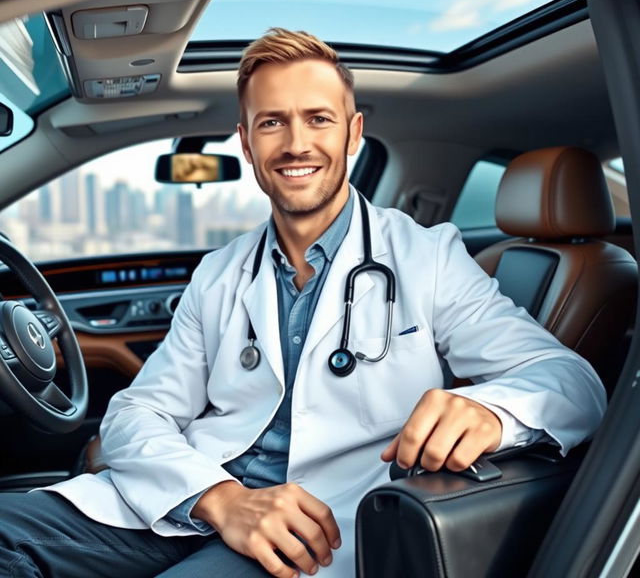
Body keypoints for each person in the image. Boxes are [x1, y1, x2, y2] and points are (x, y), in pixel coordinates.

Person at [0, 28, 606, 578]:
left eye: (318, 119)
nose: (296, 144)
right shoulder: (220, 273)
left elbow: (573, 381)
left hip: (314, 533)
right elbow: (136, 414)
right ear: (245, 140)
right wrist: (222, 500)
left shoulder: (428, 256)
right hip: (192, 502)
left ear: (354, 132)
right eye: (271, 123)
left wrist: (491, 412)